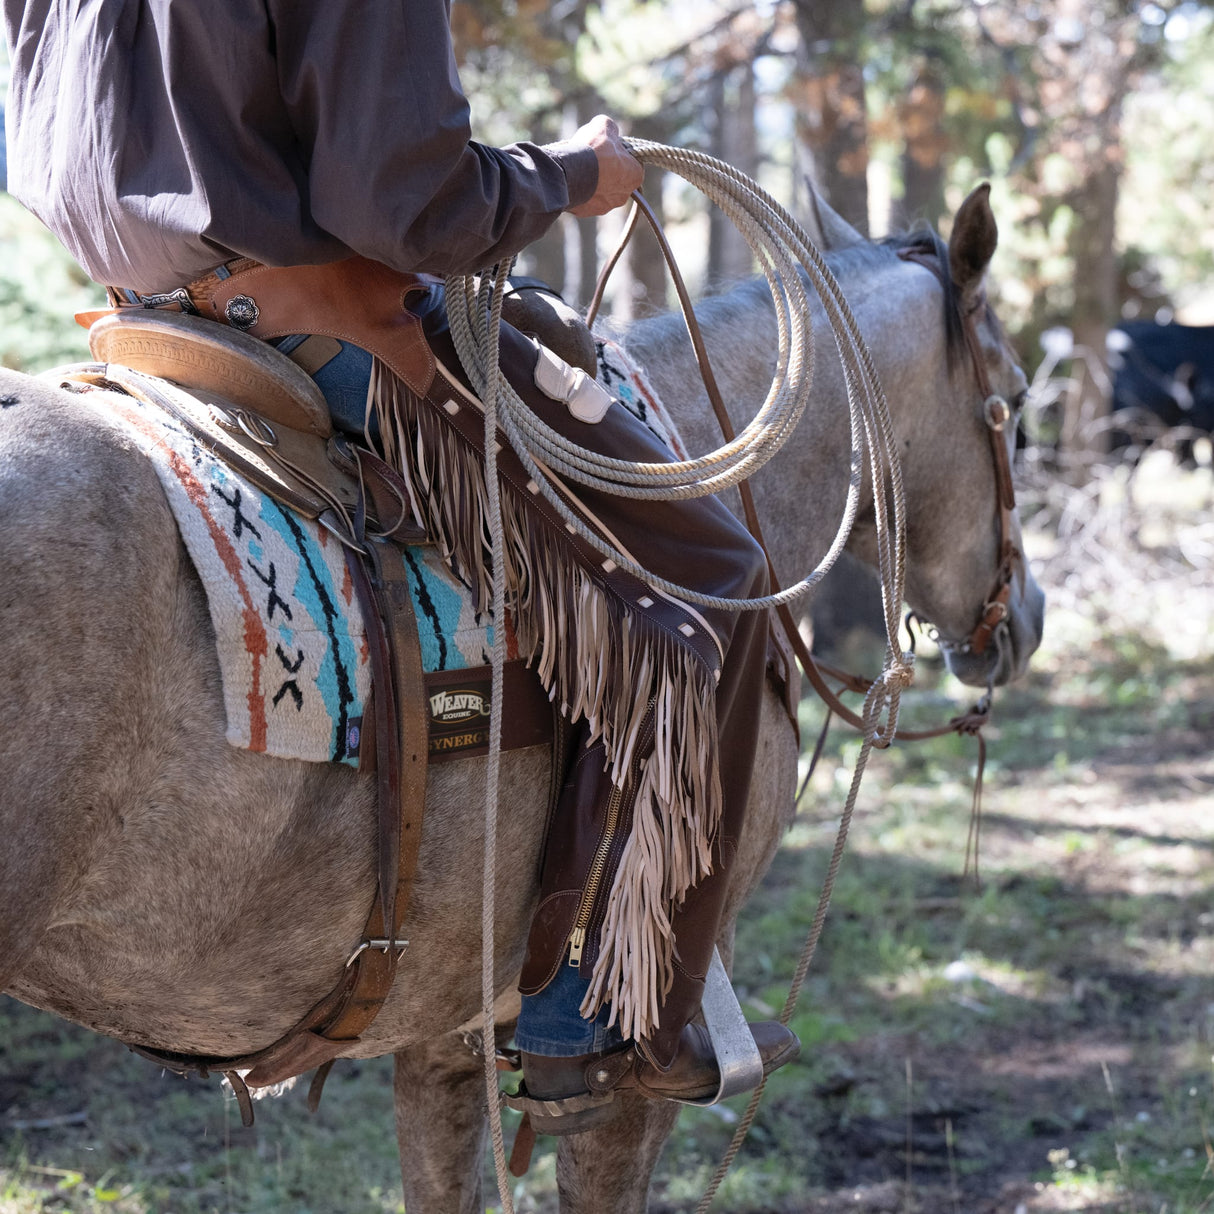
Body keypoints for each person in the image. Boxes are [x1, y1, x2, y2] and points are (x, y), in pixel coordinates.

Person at [2, 0, 798, 1129]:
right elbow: (406, 201)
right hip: (325, 331)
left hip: (148, 321)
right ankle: (617, 1009)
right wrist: (573, 175)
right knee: (712, 585)